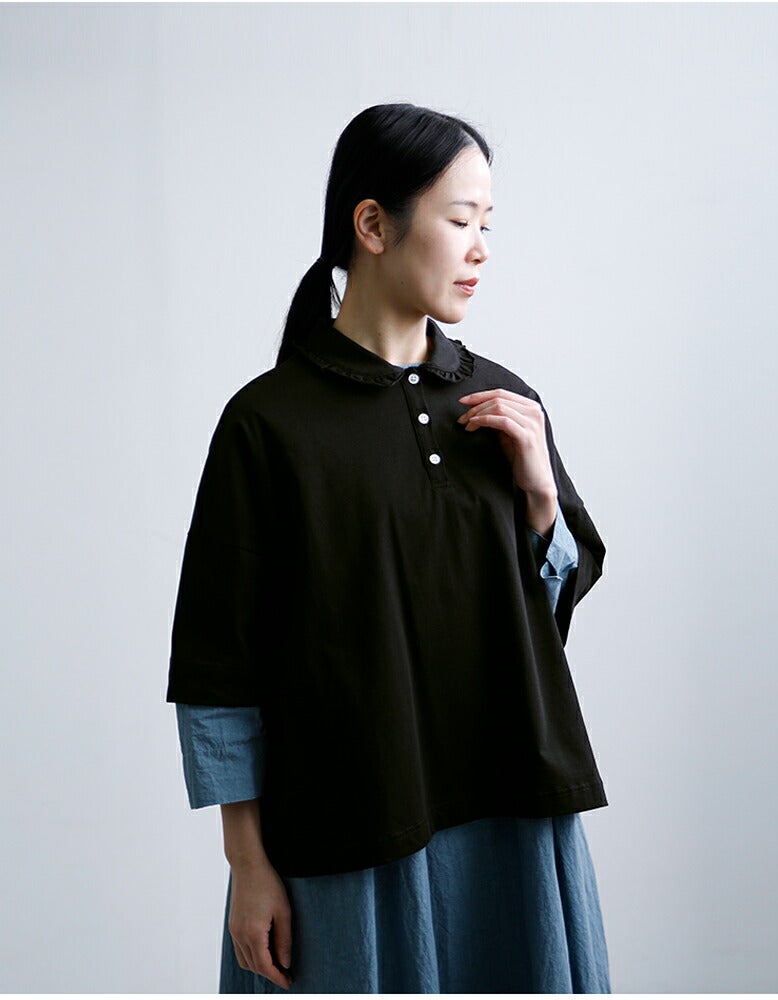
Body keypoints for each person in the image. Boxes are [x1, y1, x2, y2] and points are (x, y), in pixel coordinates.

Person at [166, 102, 610, 993]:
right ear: (372, 225)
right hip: (346, 835)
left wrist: (538, 494)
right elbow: (218, 669)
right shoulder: (267, 424)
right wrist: (247, 864)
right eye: (461, 221)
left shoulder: (506, 405)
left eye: (488, 225)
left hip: (514, 815)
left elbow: (547, 611)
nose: (481, 249)